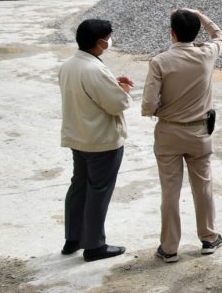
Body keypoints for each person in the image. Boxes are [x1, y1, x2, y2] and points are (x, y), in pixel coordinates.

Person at [141, 8, 222, 263]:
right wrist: (200, 15)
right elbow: (221, 36)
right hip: (200, 131)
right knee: (203, 186)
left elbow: (148, 105)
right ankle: (209, 238)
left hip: (169, 131)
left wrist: (161, 110)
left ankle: (169, 248)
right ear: (196, 32)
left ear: (172, 33)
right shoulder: (206, 54)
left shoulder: (159, 62)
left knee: (170, 191)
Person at [58, 18, 133, 262]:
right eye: (108, 38)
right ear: (100, 42)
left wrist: (111, 84)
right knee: (98, 191)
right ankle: (94, 246)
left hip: (78, 137)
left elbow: (88, 93)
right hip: (100, 141)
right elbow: (116, 104)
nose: (110, 41)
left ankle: (73, 238)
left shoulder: (69, 65)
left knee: (79, 187)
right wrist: (122, 91)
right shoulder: (94, 69)